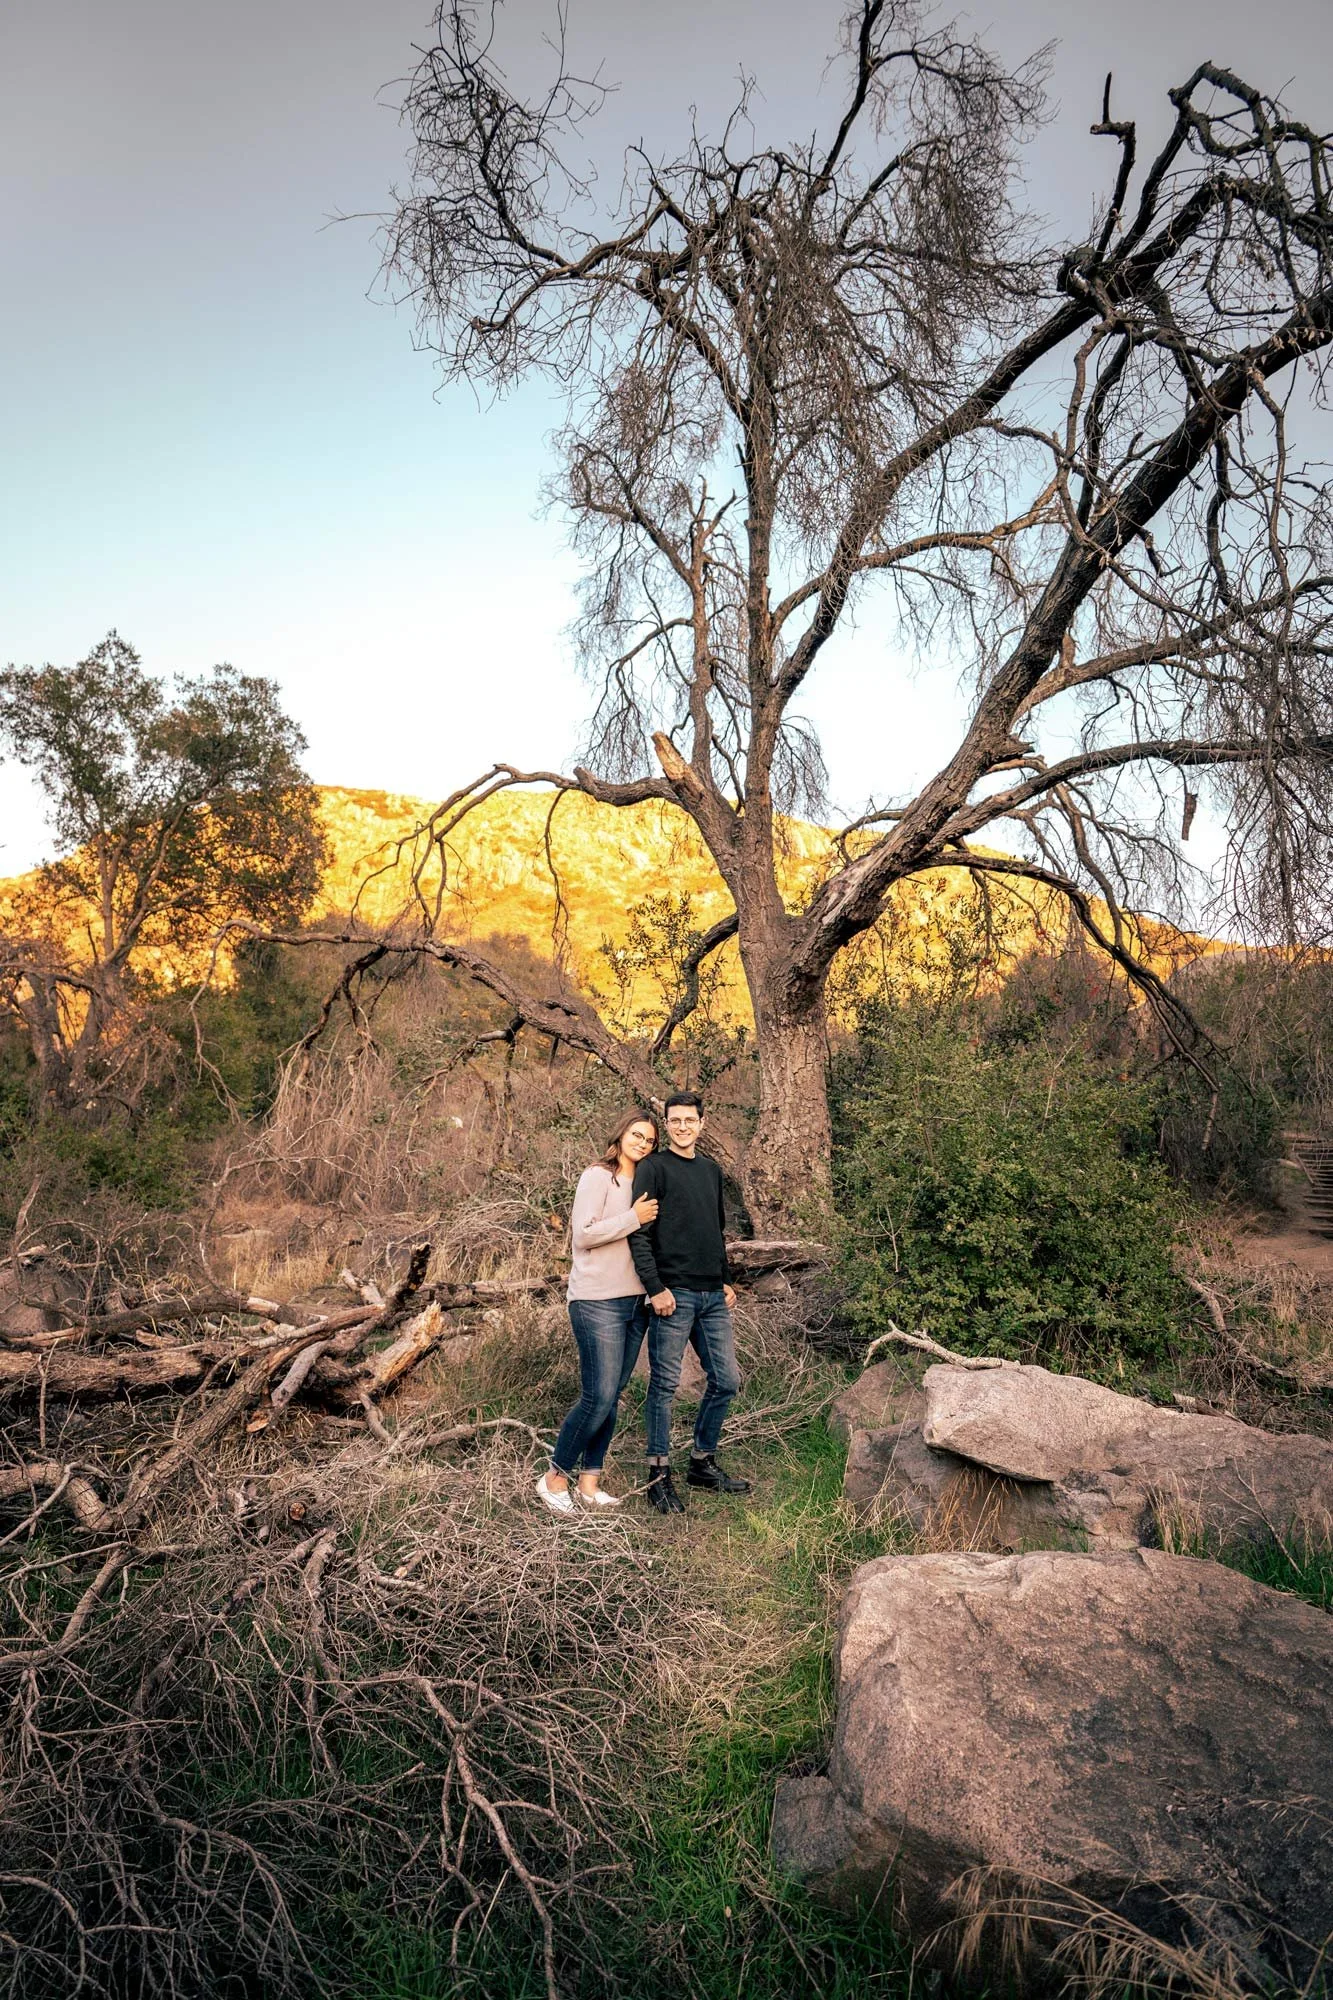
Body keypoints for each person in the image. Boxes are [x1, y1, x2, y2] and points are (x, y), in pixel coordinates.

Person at [629, 1091, 750, 1515]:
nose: (683, 1127)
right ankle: (658, 1478)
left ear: (703, 1123)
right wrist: (655, 1287)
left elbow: (715, 1230)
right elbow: (638, 1235)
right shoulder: (653, 1168)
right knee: (664, 1386)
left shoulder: (711, 1171)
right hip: (672, 1295)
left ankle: (701, 1463)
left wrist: (726, 1279)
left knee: (726, 1380)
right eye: (675, 1120)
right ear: (667, 1124)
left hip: (712, 1297)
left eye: (690, 1120)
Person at [535, 1109, 660, 1517]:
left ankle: (589, 1483)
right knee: (598, 1395)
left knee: (613, 1396)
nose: (643, 1143)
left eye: (650, 1140)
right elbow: (584, 1235)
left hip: (635, 1303)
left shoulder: (643, 1182)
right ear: (622, 1133)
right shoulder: (598, 1176)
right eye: (637, 1135)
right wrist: (632, 1218)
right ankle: (554, 1478)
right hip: (596, 1301)